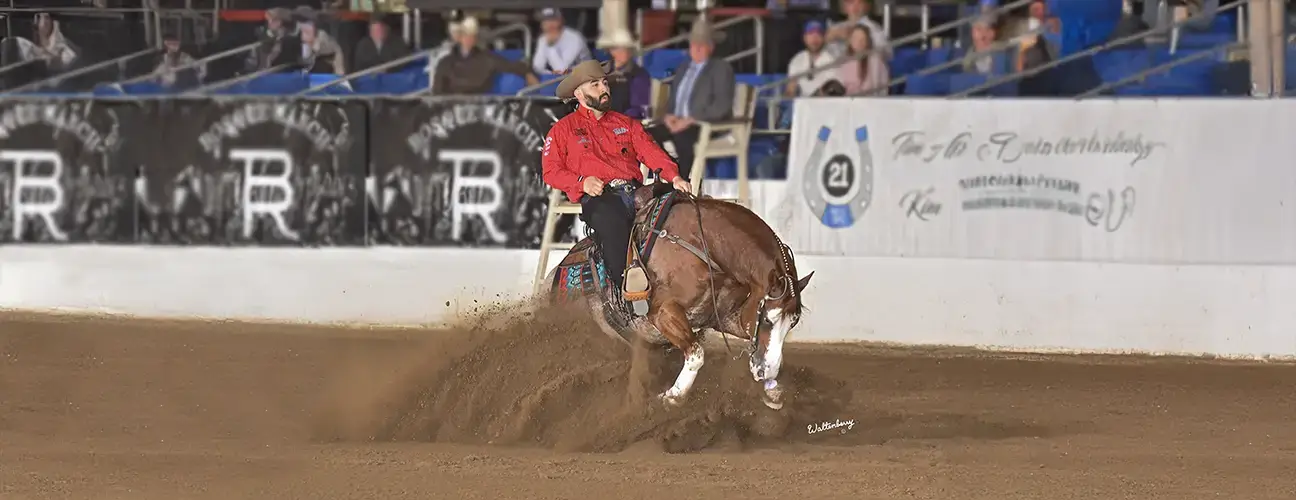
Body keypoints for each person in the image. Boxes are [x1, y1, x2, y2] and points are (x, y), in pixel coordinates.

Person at [541, 60, 691, 297]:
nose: (603, 89)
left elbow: (652, 153)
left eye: (604, 82)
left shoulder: (627, 124)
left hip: (636, 191)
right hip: (602, 197)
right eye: (595, 85)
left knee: (680, 204)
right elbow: (551, 171)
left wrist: (674, 177)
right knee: (611, 222)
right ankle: (626, 290)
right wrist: (582, 182)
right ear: (578, 93)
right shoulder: (562, 130)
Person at [662, 19, 736, 181]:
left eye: (702, 44)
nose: (697, 48)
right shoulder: (683, 68)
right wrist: (669, 116)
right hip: (677, 123)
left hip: (705, 125)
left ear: (711, 47)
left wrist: (690, 120)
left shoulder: (721, 69)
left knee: (683, 137)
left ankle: (681, 184)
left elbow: (721, 107)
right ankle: (658, 182)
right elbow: (673, 100)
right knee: (646, 135)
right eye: (694, 43)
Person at [432, 17, 539, 95]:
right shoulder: (445, 63)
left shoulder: (486, 58)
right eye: (465, 35)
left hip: (479, 108)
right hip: (451, 109)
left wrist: (527, 72)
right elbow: (437, 92)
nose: (468, 39)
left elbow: (511, 65)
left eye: (471, 36)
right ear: (459, 38)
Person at [601, 30, 651, 120]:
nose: (622, 51)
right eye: (617, 48)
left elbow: (638, 109)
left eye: (626, 47)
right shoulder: (601, 70)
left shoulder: (639, 75)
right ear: (610, 50)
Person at [785, 20, 838, 97]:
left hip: (824, 103)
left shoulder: (831, 59)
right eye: (810, 34)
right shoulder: (797, 60)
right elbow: (790, 89)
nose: (814, 39)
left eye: (818, 35)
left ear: (823, 38)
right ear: (805, 38)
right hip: (802, 104)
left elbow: (832, 88)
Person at [532, 8, 592, 74]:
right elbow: (537, 67)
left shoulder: (574, 38)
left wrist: (551, 45)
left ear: (561, 20)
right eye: (546, 20)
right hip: (566, 77)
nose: (549, 24)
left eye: (553, 19)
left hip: (586, 76)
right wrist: (550, 73)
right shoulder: (543, 39)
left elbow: (562, 70)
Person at [837, 24, 890, 95]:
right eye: (856, 39)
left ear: (868, 42)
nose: (859, 43)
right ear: (850, 40)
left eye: (863, 39)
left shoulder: (876, 62)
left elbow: (883, 90)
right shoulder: (842, 62)